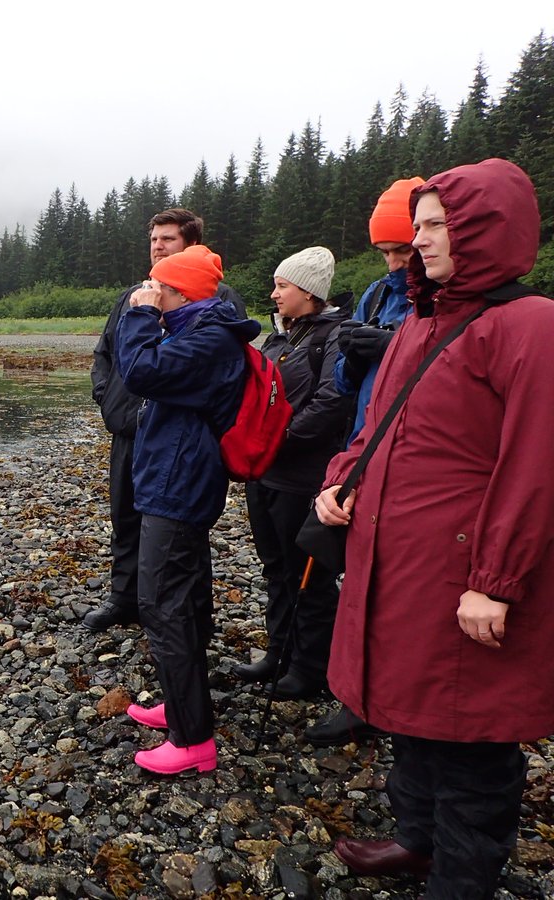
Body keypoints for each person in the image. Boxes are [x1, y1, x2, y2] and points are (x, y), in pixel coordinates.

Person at [316, 159, 554, 899]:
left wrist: (495, 582)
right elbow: (378, 428)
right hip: (399, 563)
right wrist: (338, 480)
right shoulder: (420, 323)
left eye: (433, 225)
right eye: (416, 228)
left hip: (468, 574)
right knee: (410, 710)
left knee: (473, 739)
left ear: (483, 227)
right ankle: (416, 841)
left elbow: (537, 465)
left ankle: (461, 881)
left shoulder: (531, 325)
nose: (418, 241)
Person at [114, 245, 259, 774]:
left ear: (182, 293)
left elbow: (141, 372)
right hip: (176, 481)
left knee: (163, 604)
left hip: (180, 487)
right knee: (187, 598)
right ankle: (182, 707)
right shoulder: (202, 333)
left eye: (160, 286)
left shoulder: (207, 341)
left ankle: (193, 738)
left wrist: (140, 314)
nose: (151, 291)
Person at [304, 177, 423, 746]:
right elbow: (350, 386)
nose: (398, 263)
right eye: (388, 253)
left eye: (407, 251)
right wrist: (355, 353)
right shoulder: (378, 294)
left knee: (401, 594)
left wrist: (393, 348)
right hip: (364, 448)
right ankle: (356, 697)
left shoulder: (441, 298)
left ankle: (398, 706)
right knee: (353, 582)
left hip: (415, 462)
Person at [87, 209, 245, 632]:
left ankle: (192, 614)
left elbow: (218, 369)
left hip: (178, 436)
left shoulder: (217, 298)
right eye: (154, 239)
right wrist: (109, 402)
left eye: (168, 239)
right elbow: (104, 354)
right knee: (126, 519)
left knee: (179, 529)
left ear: (190, 245)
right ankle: (124, 599)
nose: (158, 246)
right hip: (128, 429)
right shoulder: (133, 295)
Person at [234, 247, 352, 699]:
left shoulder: (335, 336)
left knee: (309, 576)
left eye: (282, 285)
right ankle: (278, 653)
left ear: (309, 291)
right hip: (264, 474)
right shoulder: (279, 338)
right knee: (274, 568)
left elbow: (331, 404)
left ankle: (311, 668)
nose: (274, 293)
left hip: (305, 477)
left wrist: (276, 440)